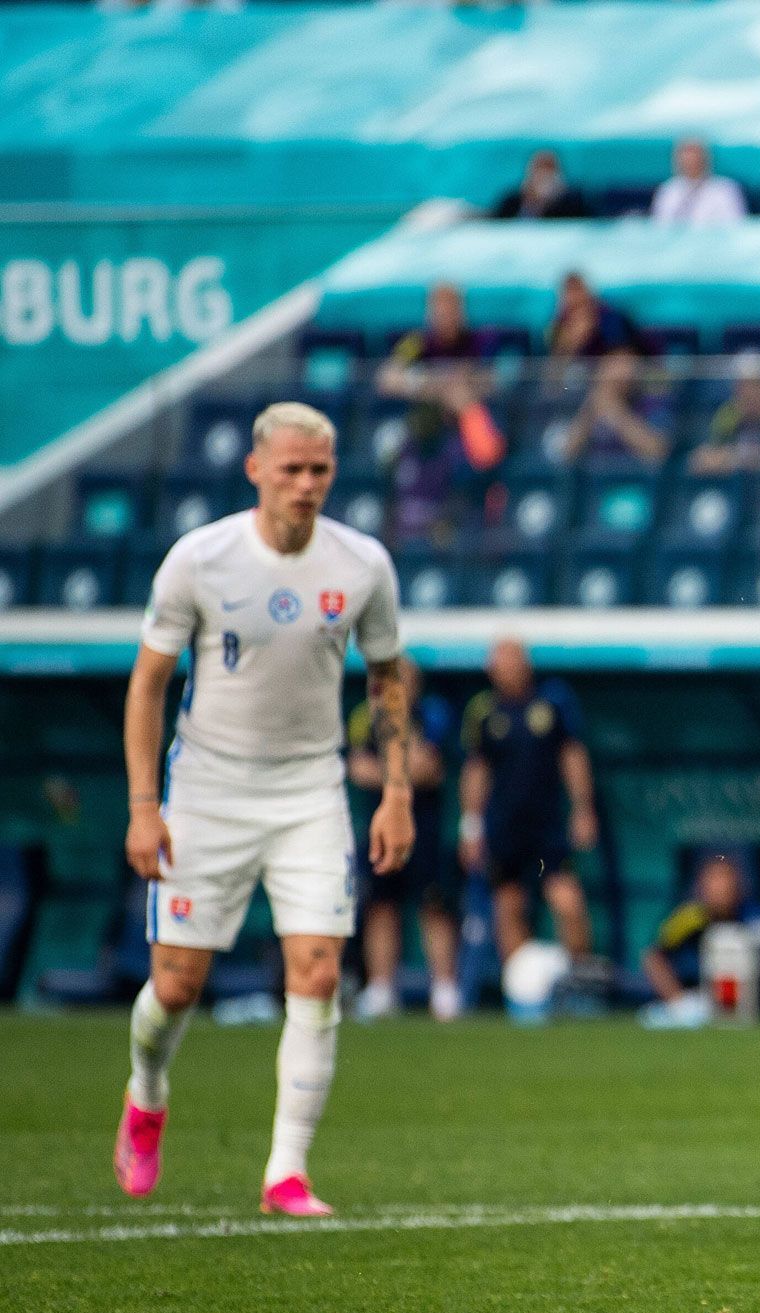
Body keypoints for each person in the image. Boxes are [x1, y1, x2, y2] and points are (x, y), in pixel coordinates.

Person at [115, 402, 409, 1218]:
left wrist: (396, 791)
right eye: (291, 470)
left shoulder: (362, 565)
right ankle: (146, 1096)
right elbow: (148, 684)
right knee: (176, 987)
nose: (307, 485)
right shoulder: (199, 560)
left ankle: (286, 1171)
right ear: (256, 470)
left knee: (316, 972)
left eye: (319, 471)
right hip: (207, 788)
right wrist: (146, 806)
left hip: (310, 789)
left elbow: (387, 678)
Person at [459, 639, 599, 983]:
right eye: (497, 662)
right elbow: (477, 771)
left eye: (510, 660)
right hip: (504, 827)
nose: (503, 668)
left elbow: (572, 757)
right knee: (507, 908)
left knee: (567, 902)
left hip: (546, 826)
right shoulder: (484, 711)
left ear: (525, 664)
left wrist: (582, 808)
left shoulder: (553, 703)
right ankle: (521, 992)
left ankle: (578, 982)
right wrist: (470, 827)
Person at [348, 655, 461, 1022]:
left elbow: (428, 767)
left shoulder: (433, 714)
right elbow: (357, 769)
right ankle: (381, 988)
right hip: (378, 828)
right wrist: (397, 775)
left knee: (434, 906)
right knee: (381, 906)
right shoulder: (366, 717)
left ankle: (444, 989)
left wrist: (394, 769)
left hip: (424, 828)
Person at [374, 282, 490, 544]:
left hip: (461, 431)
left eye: (451, 309)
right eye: (439, 310)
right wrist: (429, 385)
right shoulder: (416, 343)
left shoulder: (477, 341)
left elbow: (488, 380)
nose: (445, 316)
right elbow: (386, 377)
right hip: (424, 428)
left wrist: (462, 388)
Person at [639, 854, 754, 1025]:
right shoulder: (689, 918)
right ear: (702, 886)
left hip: (738, 1008)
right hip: (692, 1002)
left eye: (726, 880)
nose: (721, 888)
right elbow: (653, 958)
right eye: (715, 880)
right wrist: (679, 1001)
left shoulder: (750, 917)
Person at [562, 342, 669, 468]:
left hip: (635, 479)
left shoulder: (652, 402)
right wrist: (593, 405)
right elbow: (567, 455)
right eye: (615, 361)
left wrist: (614, 409)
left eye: (629, 362)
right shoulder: (585, 399)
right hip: (594, 480)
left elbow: (658, 451)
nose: (624, 371)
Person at [543, 272, 638, 376]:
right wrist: (570, 342)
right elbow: (553, 366)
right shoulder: (560, 323)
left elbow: (621, 357)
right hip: (577, 377)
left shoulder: (608, 317)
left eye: (577, 290)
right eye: (568, 292)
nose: (573, 298)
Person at [651, 136, 748, 228]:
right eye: (685, 156)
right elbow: (659, 226)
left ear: (705, 158)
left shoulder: (724, 189)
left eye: (694, 155)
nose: (690, 161)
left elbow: (735, 225)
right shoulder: (668, 189)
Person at [491, 149, 592, 221]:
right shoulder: (512, 202)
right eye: (538, 174)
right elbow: (496, 222)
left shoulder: (571, 205)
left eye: (548, 176)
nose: (542, 180)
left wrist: (549, 202)